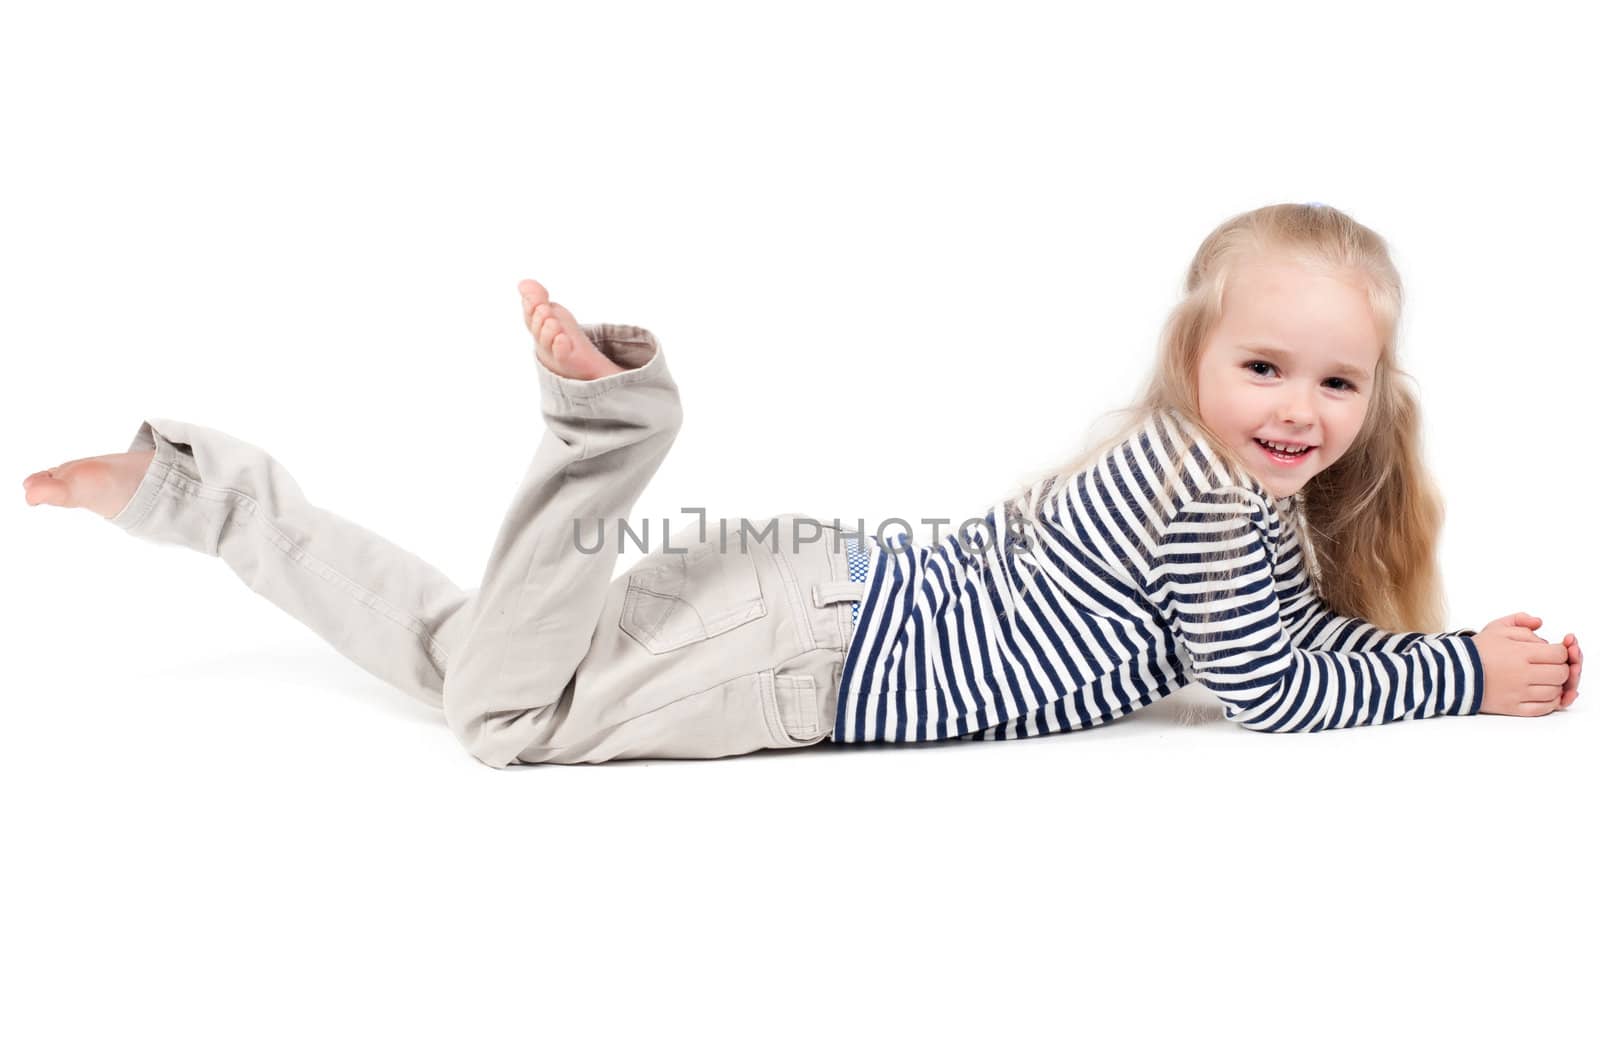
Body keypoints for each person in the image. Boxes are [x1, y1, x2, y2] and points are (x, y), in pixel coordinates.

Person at [21, 202, 1583, 767]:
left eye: (1336, 381)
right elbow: (1271, 687)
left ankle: (186, 490)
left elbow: (1244, 650)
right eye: (1265, 367)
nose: (1300, 409)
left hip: (803, 603)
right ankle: (609, 426)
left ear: (1378, 399)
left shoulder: (1171, 466)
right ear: (1194, 362)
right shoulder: (1214, 496)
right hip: (800, 656)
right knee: (503, 727)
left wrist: (1402, 641)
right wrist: (1458, 672)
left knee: (461, 664)